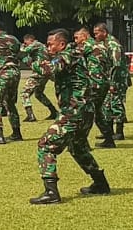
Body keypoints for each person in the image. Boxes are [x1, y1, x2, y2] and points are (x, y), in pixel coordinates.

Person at [29, 28, 111, 205]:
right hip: (83, 111)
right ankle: (100, 183)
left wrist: (33, 60)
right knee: (77, 147)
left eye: (51, 44)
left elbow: (49, 69)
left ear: (62, 44)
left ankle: (51, 192)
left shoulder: (67, 55)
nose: (48, 47)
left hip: (74, 111)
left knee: (45, 144)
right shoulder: (71, 55)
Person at [75, 26, 116, 148]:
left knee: (86, 112)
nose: (76, 40)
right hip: (103, 82)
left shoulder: (87, 45)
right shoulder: (101, 45)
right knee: (97, 112)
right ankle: (109, 139)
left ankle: (82, 143)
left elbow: (73, 55)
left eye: (77, 38)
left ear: (85, 36)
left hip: (95, 83)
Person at [93, 22, 129, 140]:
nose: (95, 36)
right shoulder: (104, 44)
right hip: (110, 80)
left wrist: (112, 83)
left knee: (116, 104)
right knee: (106, 105)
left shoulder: (113, 44)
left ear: (104, 32)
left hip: (117, 80)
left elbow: (116, 65)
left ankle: (119, 132)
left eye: (97, 33)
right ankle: (108, 132)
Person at [18, 33, 58, 123]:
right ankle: (54, 112)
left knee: (24, 93)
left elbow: (24, 51)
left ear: (30, 40)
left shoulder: (36, 44)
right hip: (44, 71)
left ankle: (30, 115)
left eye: (26, 42)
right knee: (38, 93)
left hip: (39, 72)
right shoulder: (41, 46)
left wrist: (21, 47)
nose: (25, 44)